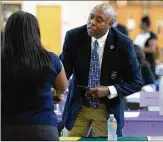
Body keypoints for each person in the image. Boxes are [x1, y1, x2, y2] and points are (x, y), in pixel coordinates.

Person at [60, 4, 143, 137]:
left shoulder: (123, 44)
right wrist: (56, 88)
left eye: (99, 20)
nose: (92, 22)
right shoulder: (73, 37)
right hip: (78, 106)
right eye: (91, 17)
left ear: (110, 24)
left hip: (107, 109)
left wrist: (109, 90)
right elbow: (63, 71)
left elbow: (137, 82)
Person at [1, 11, 68, 141]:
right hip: (44, 129)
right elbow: (63, 86)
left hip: (9, 129)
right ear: (36, 32)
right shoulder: (51, 59)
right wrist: (54, 94)